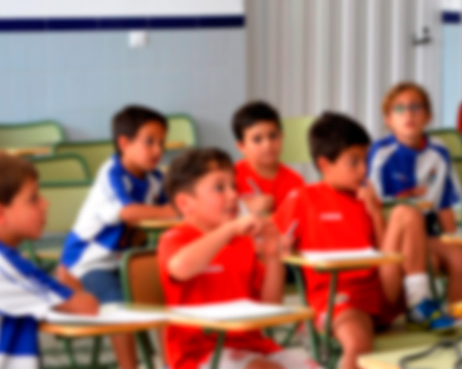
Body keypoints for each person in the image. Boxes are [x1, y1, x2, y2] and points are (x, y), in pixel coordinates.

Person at [273, 112, 453, 369]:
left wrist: (375, 213)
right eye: (353, 162)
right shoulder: (302, 198)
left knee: (407, 212)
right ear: (325, 165)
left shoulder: (367, 197)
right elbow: (269, 244)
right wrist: (281, 247)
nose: (364, 170)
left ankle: (418, 300)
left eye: (365, 160)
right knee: (358, 344)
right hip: (339, 299)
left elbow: (384, 253)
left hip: (381, 290)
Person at [158, 148, 315, 369]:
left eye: (234, 186)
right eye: (220, 188)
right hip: (199, 354)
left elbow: (270, 306)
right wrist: (230, 229)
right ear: (185, 203)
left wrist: (272, 257)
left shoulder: (242, 243)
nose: (233, 195)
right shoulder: (175, 238)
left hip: (254, 346)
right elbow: (181, 266)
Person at [58, 105, 178, 368]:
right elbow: (129, 212)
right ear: (124, 143)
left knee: (162, 295)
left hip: (124, 261)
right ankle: (128, 366)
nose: (158, 150)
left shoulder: (155, 178)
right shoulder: (111, 174)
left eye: (162, 143)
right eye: (150, 142)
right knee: (119, 307)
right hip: (87, 264)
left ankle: (172, 363)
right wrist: (168, 211)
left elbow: (177, 206)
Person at [368, 82, 462, 303]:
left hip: (429, 232)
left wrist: (457, 242)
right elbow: (372, 205)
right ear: (388, 120)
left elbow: (445, 204)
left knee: (461, 260)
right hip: (392, 233)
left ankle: (459, 319)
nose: (408, 114)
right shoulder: (381, 153)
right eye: (399, 108)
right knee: (430, 262)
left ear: (428, 116)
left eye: (416, 107)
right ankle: (421, 317)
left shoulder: (439, 151)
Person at [0, 153, 98, 368]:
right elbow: (86, 307)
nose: (45, 203)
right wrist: (75, 290)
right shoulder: (7, 266)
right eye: (33, 198)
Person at [231, 101, 304, 216]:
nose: (267, 145)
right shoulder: (231, 177)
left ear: (282, 136)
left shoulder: (295, 181)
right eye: (257, 139)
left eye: (273, 136)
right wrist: (245, 206)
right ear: (242, 146)